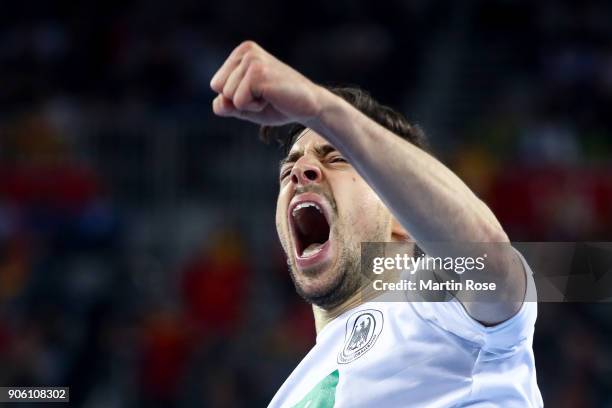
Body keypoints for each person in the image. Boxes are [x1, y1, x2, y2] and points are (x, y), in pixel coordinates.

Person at [210, 41, 542, 407]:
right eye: (288, 169)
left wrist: (320, 108)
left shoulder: (438, 303)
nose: (299, 174)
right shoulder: (287, 397)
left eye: (336, 157)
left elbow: (489, 258)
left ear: (403, 217)